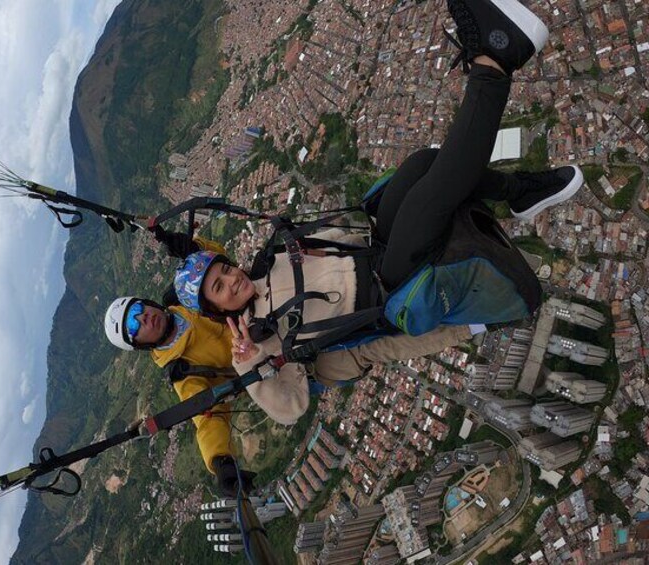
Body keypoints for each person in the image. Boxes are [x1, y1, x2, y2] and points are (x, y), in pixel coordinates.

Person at [173, 0, 583, 425]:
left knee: (422, 165)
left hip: (374, 247)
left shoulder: (263, 266)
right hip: (387, 289)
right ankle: (495, 60)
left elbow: (334, 251)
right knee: (434, 196)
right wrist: (250, 363)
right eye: (220, 288)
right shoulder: (262, 341)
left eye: (224, 271)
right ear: (217, 309)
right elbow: (290, 409)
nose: (231, 279)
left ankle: (519, 193)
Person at [103, 236, 255, 497]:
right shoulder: (183, 371)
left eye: (138, 309)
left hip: (260, 298)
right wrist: (220, 460)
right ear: (139, 345)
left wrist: (194, 246)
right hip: (265, 350)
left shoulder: (182, 296)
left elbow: (218, 265)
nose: (144, 318)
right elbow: (205, 415)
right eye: (134, 326)